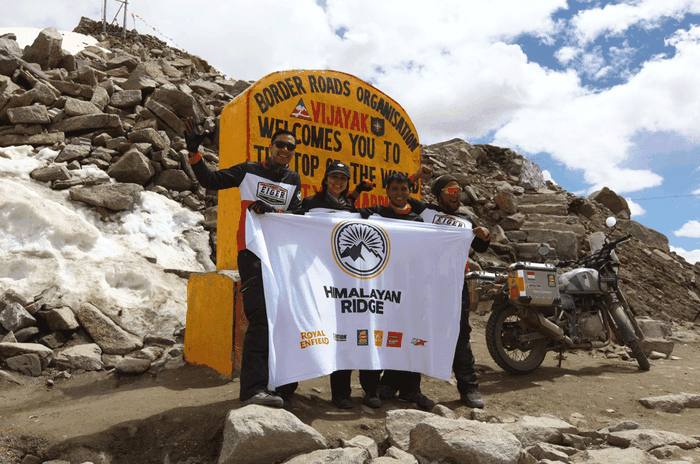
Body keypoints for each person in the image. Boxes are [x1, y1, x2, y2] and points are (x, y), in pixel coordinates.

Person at [183, 117, 301, 410]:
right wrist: (194, 152)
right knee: (259, 319)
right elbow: (210, 181)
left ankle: (281, 385)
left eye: (291, 147)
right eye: (281, 144)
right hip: (251, 252)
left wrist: (273, 211)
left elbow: (297, 215)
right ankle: (252, 390)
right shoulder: (248, 170)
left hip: (281, 256)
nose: (285, 150)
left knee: (282, 319)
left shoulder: (293, 179)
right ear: (270, 147)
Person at [301, 160, 382, 410]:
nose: (338, 182)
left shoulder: (350, 207)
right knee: (340, 334)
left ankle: (372, 390)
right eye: (334, 177)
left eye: (343, 178)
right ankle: (340, 393)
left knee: (367, 331)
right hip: (325, 279)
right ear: (325, 179)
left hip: (355, 280)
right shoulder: (310, 204)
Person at [410, 167, 491, 408]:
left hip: (455, 285)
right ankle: (403, 386)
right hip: (425, 283)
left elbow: (481, 246)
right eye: (450, 190)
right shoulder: (426, 211)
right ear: (438, 195)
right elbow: (399, 196)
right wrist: (415, 177)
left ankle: (469, 389)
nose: (456, 194)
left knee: (460, 335)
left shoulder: (466, 219)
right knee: (416, 331)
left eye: (458, 190)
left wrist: (485, 235)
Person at [358, 172, 435, 411]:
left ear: (410, 191)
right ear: (387, 191)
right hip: (379, 286)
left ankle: (411, 390)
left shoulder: (418, 220)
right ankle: (371, 390)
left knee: (411, 336)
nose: (399, 193)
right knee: (375, 335)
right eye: (394, 189)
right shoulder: (375, 214)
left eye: (404, 189)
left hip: (409, 287)